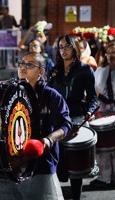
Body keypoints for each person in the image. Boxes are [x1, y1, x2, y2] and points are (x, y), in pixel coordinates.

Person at [0, 52, 73, 200]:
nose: (23, 68)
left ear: (41, 72)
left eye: (30, 65)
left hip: (40, 164)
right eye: (21, 63)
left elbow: (66, 125)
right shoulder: (9, 93)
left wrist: (48, 140)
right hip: (11, 164)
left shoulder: (51, 95)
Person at [48, 34, 98, 200]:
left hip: (76, 118)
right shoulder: (54, 70)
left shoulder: (85, 70)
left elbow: (92, 97)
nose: (63, 50)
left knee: (76, 163)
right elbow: (47, 94)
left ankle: (76, 196)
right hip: (57, 119)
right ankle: (54, 194)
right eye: (61, 46)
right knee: (55, 159)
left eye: (67, 46)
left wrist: (90, 111)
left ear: (75, 48)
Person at [90, 42, 115, 187]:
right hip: (103, 113)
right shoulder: (100, 71)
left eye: (114, 52)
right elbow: (94, 93)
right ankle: (104, 177)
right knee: (104, 147)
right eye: (109, 52)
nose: (112, 55)